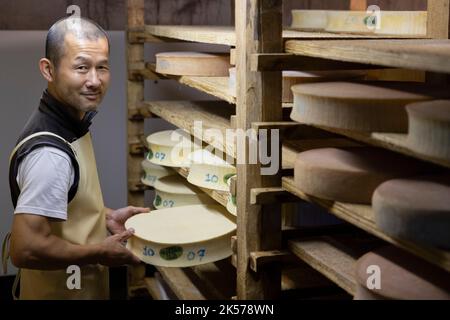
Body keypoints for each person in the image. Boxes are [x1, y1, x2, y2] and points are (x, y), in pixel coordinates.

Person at [3, 16, 148, 300]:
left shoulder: (70, 123)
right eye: (81, 67)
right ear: (49, 69)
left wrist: (103, 216)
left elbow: (61, 203)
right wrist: (100, 251)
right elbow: (26, 249)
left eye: (102, 67)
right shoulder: (51, 154)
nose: (94, 81)